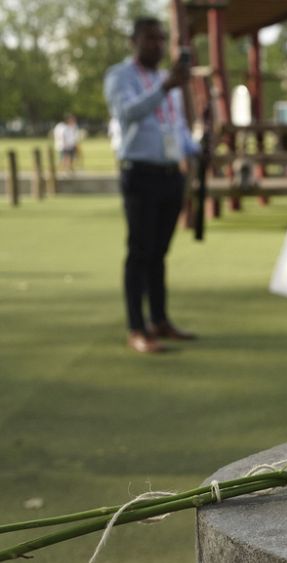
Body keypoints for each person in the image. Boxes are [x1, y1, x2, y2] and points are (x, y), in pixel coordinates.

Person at [104, 17, 199, 353]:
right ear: (134, 41)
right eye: (149, 39)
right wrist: (165, 88)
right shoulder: (121, 76)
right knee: (140, 252)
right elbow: (127, 113)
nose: (156, 45)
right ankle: (136, 327)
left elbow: (176, 128)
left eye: (161, 39)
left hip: (170, 174)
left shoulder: (165, 79)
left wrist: (197, 147)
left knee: (159, 253)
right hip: (140, 173)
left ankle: (159, 319)